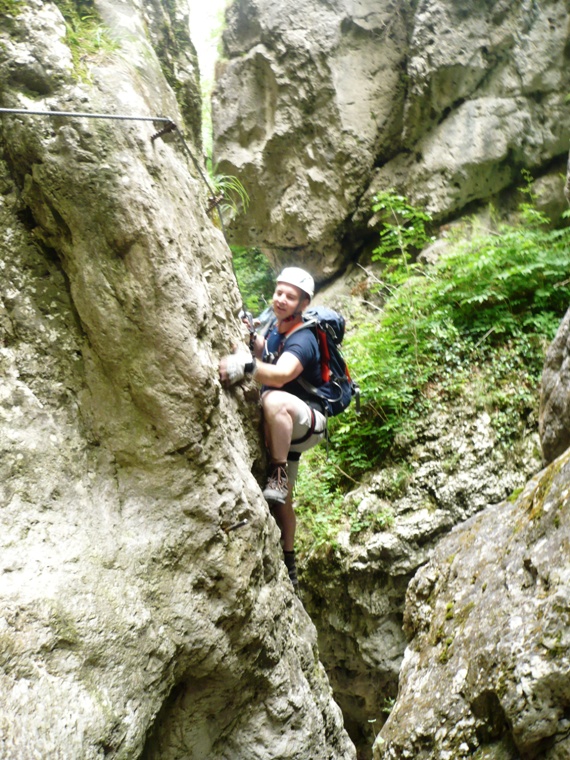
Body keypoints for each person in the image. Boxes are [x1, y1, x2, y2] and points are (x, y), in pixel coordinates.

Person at [219, 267, 327, 587]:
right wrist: (252, 341)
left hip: (307, 421)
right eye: (279, 292)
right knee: (283, 504)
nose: (281, 299)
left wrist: (247, 366)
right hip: (287, 430)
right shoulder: (279, 328)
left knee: (273, 399)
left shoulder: (305, 337)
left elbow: (280, 375)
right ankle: (290, 564)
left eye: (290, 296)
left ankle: (277, 476)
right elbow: (267, 350)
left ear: (303, 303)